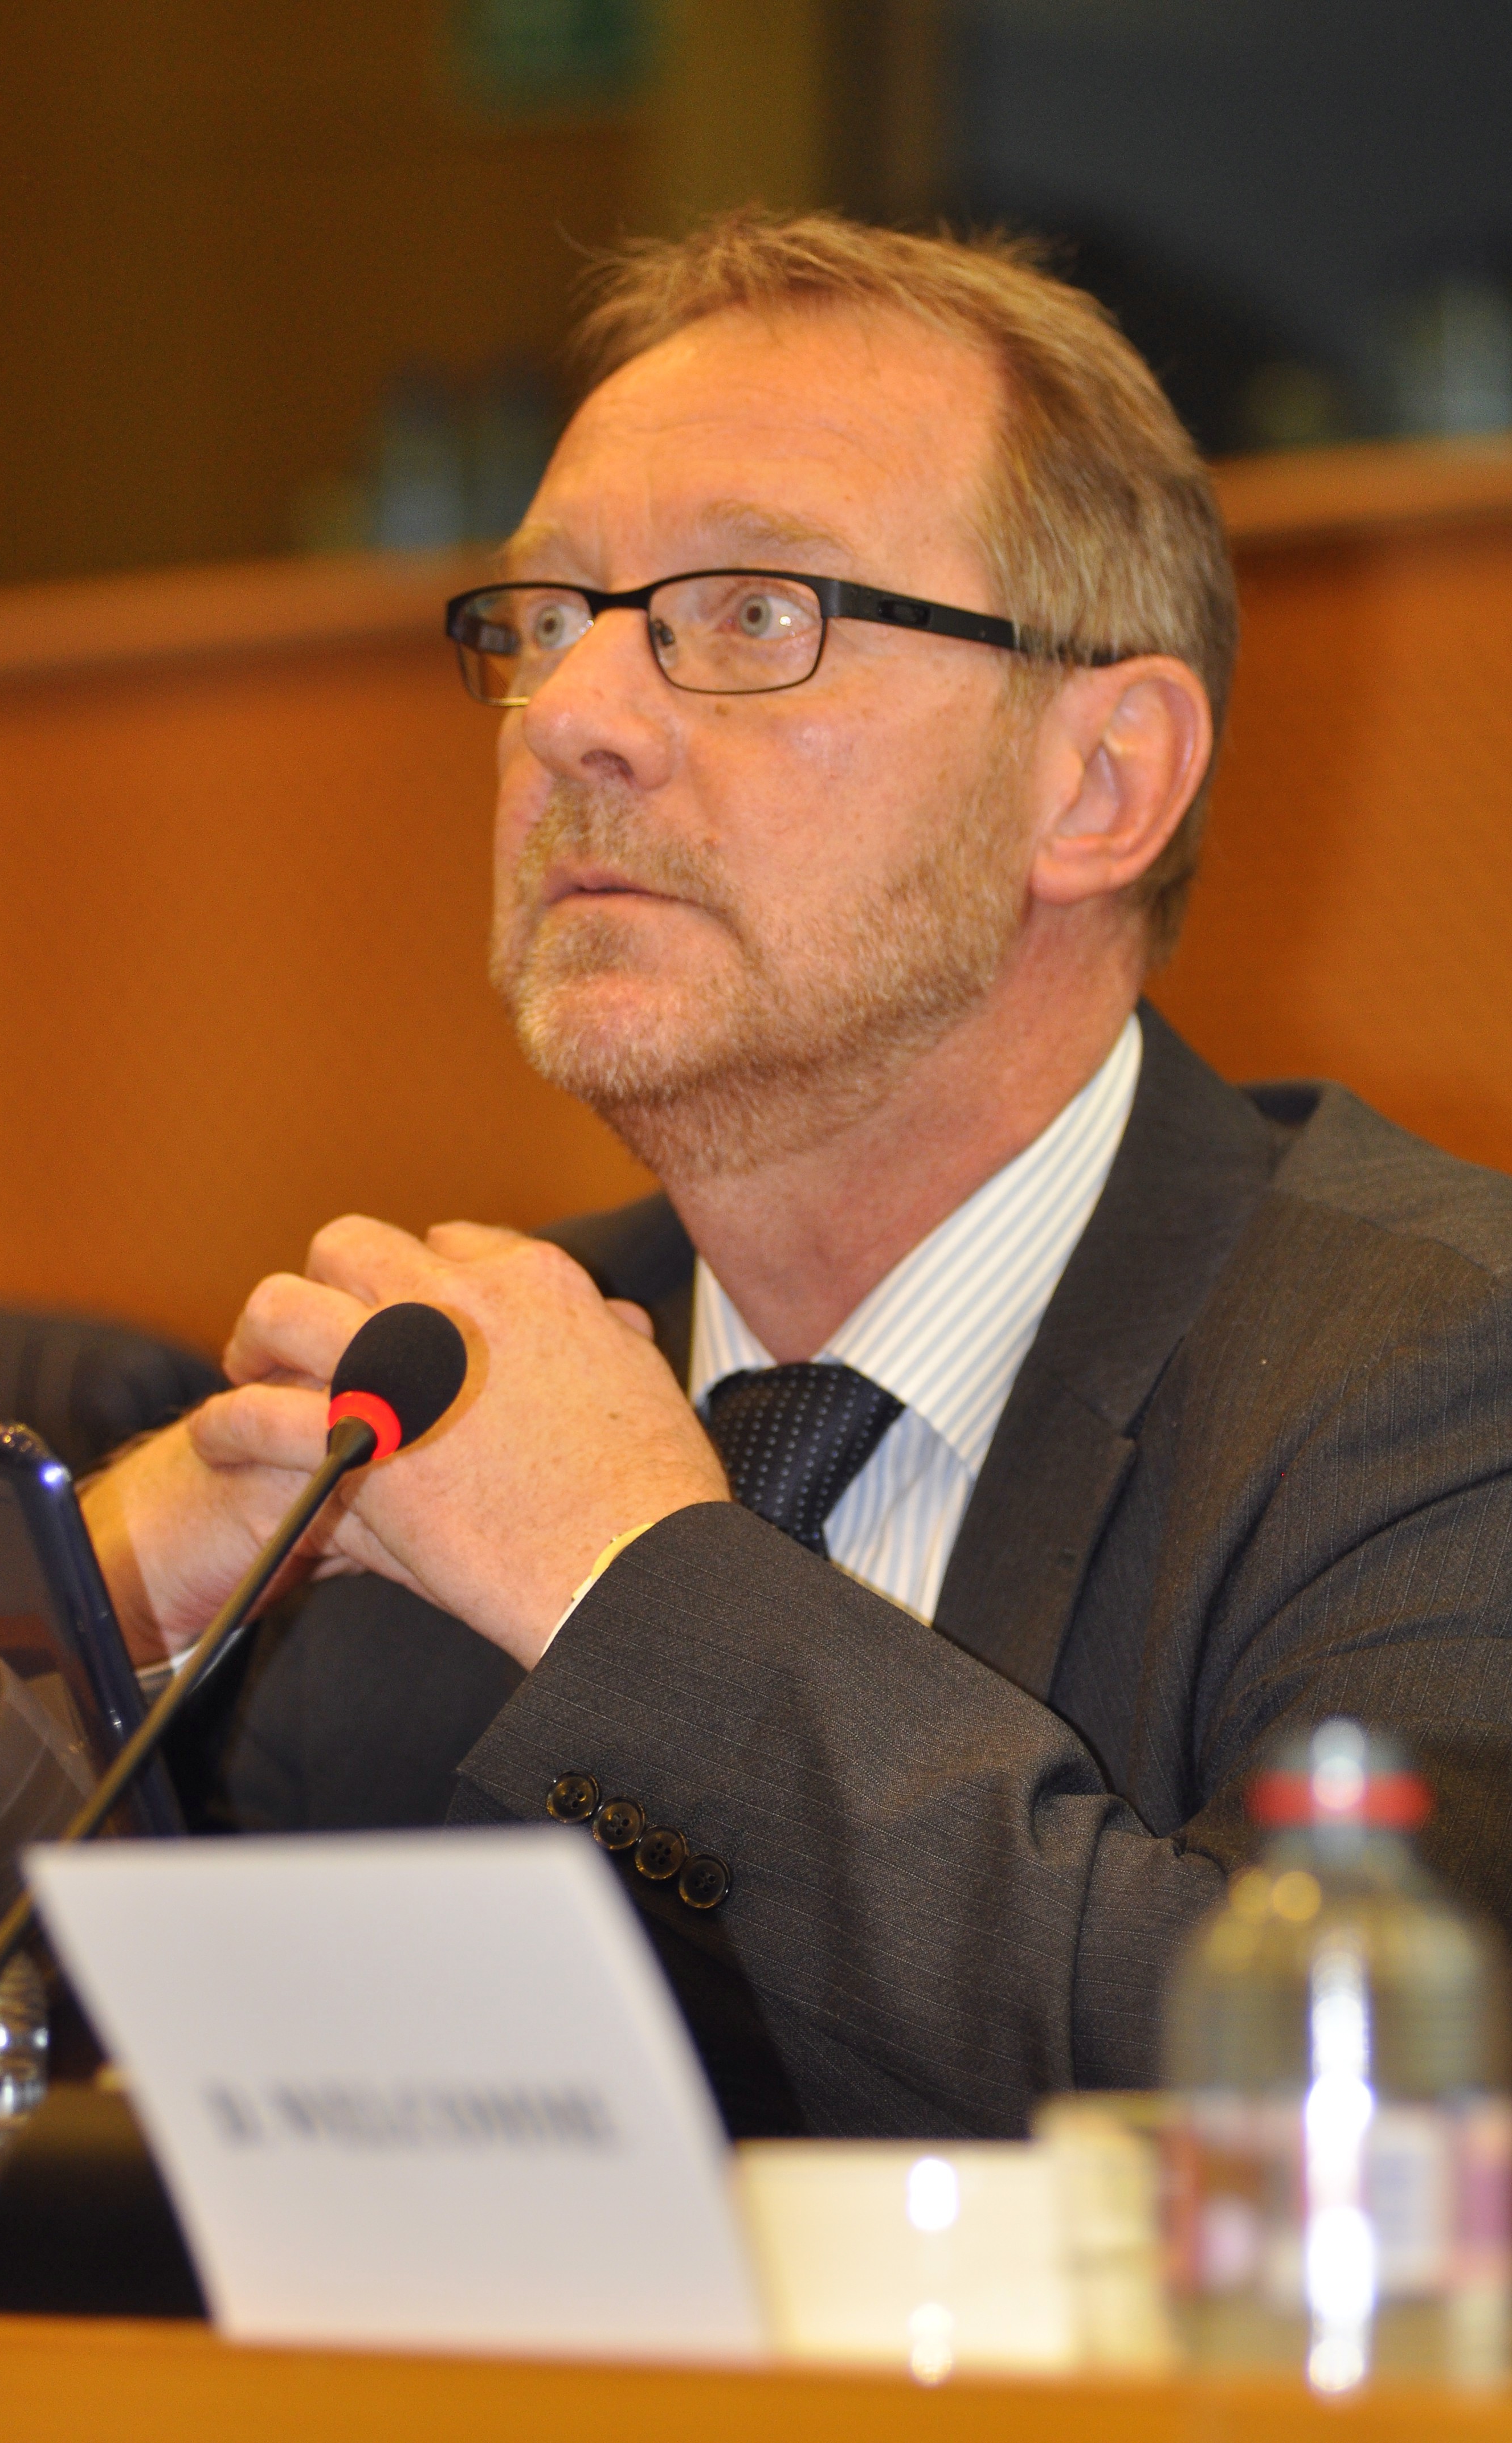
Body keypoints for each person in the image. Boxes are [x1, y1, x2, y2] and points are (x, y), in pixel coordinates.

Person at [80, 211, 1512, 2139]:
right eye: (548, 618)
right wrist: (96, 1621)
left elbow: (1372, 2110)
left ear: (1100, 782)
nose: (573, 717)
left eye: (756, 614)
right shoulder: (435, 1414)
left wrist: (625, 1582)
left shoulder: (1442, 1377)